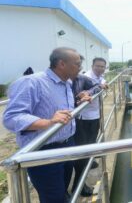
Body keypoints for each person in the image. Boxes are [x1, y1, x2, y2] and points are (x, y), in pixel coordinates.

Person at [3, 47, 82, 203]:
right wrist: (48, 122)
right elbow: (11, 118)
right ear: (61, 64)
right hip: (44, 150)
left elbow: (60, 109)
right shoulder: (31, 82)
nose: (80, 68)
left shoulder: (66, 83)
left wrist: (80, 100)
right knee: (53, 198)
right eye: (77, 64)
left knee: (63, 190)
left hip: (67, 145)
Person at [71, 56, 102, 197]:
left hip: (85, 119)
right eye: (76, 64)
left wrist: (88, 93)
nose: (79, 67)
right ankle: (78, 186)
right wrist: (78, 99)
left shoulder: (81, 79)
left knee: (87, 149)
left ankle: (79, 184)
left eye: (79, 65)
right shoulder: (50, 83)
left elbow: (96, 87)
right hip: (79, 121)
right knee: (80, 155)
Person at [79, 58, 108, 168]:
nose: (100, 68)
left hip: (95, 113)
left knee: (92, 138)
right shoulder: (86, 77)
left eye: (102, 67)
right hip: (85, 116)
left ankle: (90, 159)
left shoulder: (99, 77)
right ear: (92, 66)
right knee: (85, 141)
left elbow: (103, 81)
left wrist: (104, 84)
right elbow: (83, 93)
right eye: (98, 66)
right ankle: (86, 163)